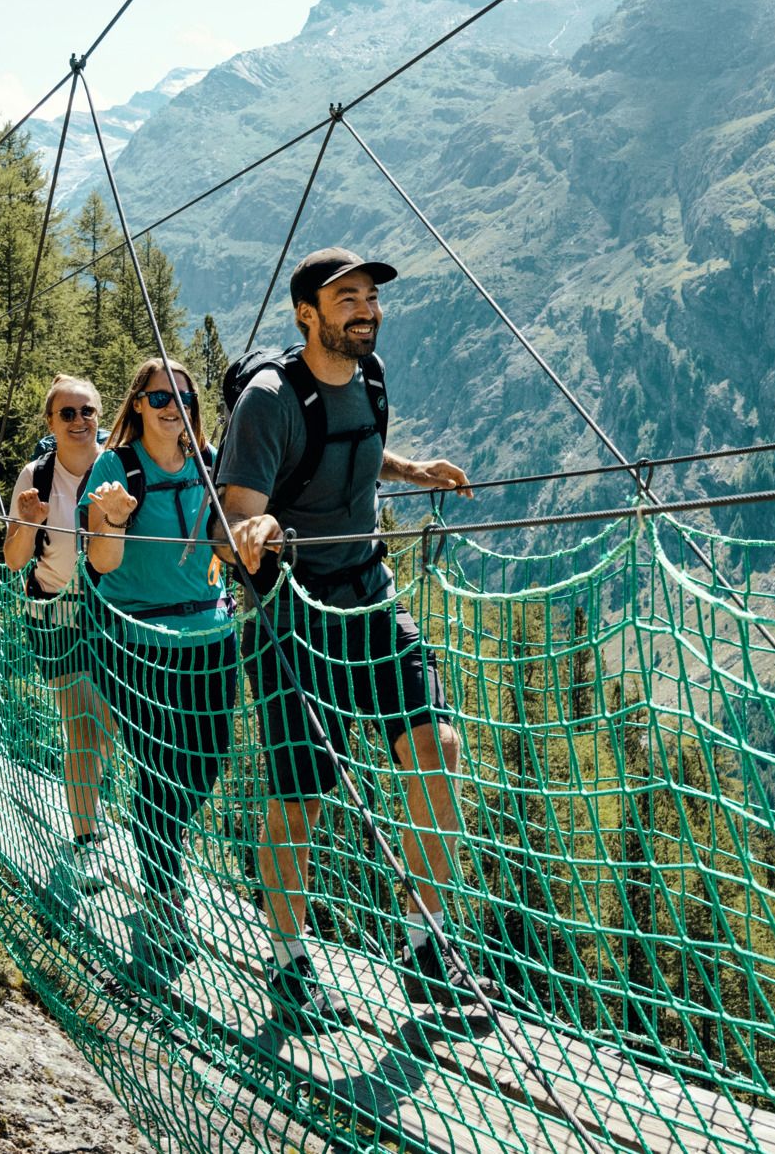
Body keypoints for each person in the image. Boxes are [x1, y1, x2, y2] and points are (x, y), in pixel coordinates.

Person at [215, 247, 491, 1035]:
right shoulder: (268, 400)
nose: (366, 308)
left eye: (371, 296)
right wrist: (255, 529)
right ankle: (288, 959)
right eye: (348, 297)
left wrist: (413, 470)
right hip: (292, 619)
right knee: (299, 800)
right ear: (308, 313)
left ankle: (425, 947)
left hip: (370, 599)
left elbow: (355, 458)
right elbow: (238, 515)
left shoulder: (371, 376)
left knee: (436, 746)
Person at [78, 355, 239, 985]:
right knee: (157, 760)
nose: (173, 408)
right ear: (137, 406)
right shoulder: (116, 468)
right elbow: (106, 563)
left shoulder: (212, 462)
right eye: (159, 399)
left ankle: (161, 853)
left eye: (183, 397)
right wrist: (111, 516)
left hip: (210, 630)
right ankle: (165, 892)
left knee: (206, 757)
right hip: (136, 634)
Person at [1, 373, 114, 902]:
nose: (79, 421)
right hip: (55, 613)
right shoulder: (36, 475)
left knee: (113, 726)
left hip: (113, 612)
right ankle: (87, 839)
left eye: (87, 411)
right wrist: (27, 521)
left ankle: (98, 814)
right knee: (85, 724)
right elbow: (15, 559)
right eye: (67, 413)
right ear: (50, 422)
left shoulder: (117, 466)